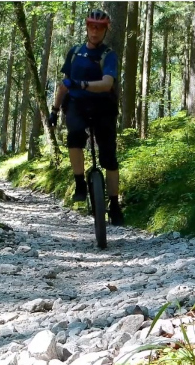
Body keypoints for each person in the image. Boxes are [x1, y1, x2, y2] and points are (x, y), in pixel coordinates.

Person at [49, 8, 124, 226]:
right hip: (77, 105)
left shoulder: (108, 55)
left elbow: (107, 83)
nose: (95, 31)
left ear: (105, 30)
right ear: (87, 27)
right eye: (92, 26)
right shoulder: (75, 52)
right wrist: (54, 110)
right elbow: (64, 84)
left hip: (103, 107)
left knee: (109, 157)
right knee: (74, 136)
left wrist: (81, 84)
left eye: (99, 28)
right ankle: (80, 182)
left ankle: (114, 204)